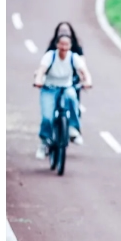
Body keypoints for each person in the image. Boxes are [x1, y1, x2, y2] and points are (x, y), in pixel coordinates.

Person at [34, 21, 92, 154]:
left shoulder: (74, 56)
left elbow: (84, 70)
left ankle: (73, 128)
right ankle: (44, 141)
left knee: (72, 99)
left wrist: (87, 81)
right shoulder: (50, 55)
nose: (64, 47)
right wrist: (38, 80)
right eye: (62, 44)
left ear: (71, 45)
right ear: (57, 44)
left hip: (67, 86)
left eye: (67, 45)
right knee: (47, 116)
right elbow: (42, 70)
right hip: (49, 88)